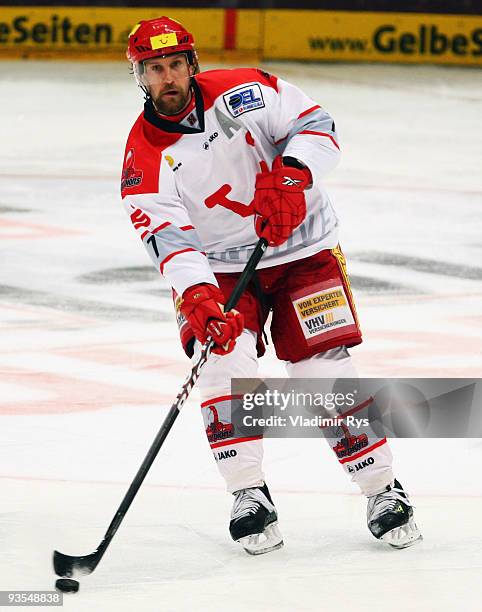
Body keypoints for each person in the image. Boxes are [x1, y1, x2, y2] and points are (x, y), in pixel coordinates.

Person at [121, 16, 422, 555]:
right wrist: (197, 296)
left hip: (304, 250)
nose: (166, 77)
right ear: (139, 76)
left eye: (174, 64)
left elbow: (317, 123)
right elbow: (167, 237)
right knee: (221, 364)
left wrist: (294, 172)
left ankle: (382, 488)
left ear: (192, 64)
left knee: (321, 369)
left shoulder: (246, 89)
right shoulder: (143, 158)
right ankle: (248, 494)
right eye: (153, 68)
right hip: (219, 271)